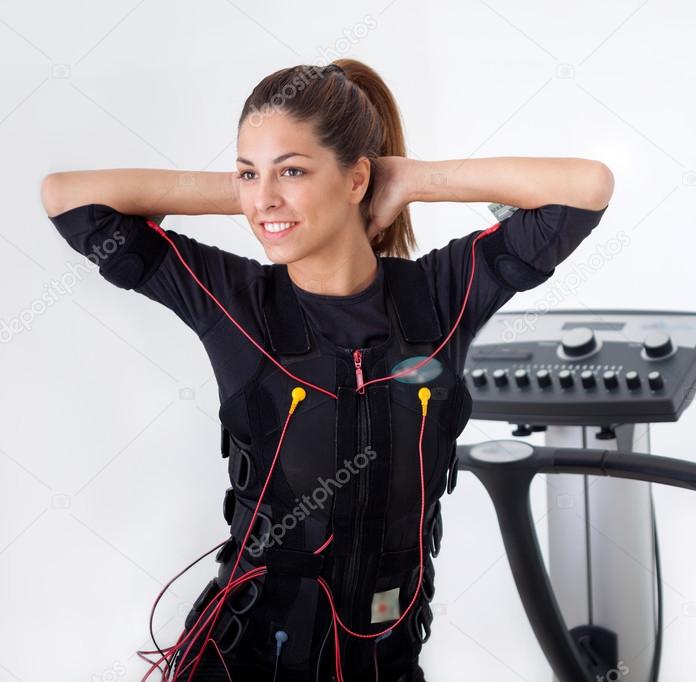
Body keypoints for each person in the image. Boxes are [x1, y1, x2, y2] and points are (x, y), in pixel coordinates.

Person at [40, 58, 613, 681]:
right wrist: (261, 197)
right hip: (242, 664)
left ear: (358, 176)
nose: (264, 196)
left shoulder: (440, 296)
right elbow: (69, 199)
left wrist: (412, 179)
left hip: (386, 665)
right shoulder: (235, 301)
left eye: (291, 169)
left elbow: (585, 189)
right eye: (247, 172)